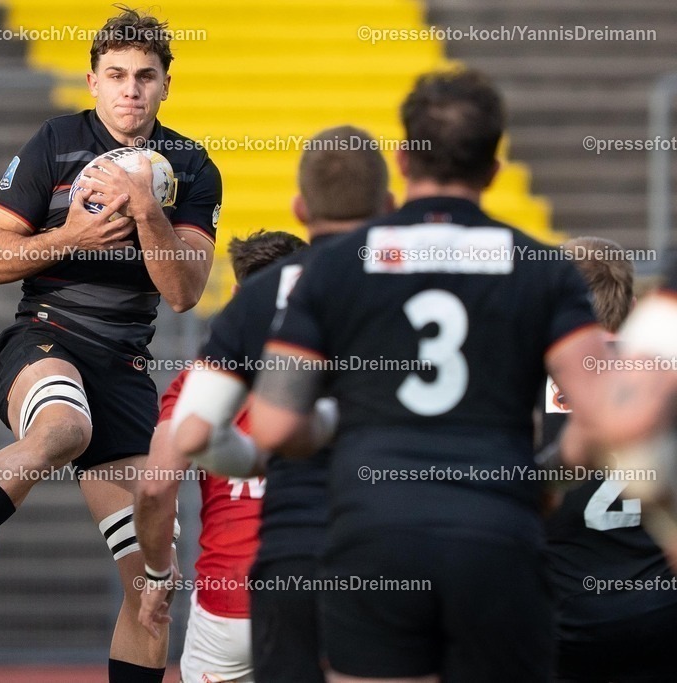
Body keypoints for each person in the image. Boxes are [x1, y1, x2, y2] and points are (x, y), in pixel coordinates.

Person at [0, 7, 222, 682]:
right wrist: (71, 236)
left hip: (125, 364)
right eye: (118, 75)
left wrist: (146, 207)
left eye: (146, 76)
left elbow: (185, 291)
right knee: (65, 426)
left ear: (165, 86)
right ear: (92, 81)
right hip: (46, 335)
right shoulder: (55, 141)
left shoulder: (190, 165)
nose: (132, 89)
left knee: (152, 594)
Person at [249, 68, 611, 682]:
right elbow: (602, 415)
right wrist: (544, 479)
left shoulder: (335, 266)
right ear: (494, 169)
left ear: (402, 159)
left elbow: (274, 423)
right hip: (496, 535)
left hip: (374, 533)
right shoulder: (543, 268)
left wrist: (339, 434)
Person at [159, 125, 392, 683]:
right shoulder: (372, 334)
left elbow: (160, 473)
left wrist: (151, 572)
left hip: (237, 596)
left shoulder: (200, 378)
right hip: (363, 576)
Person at [135, 229, 307, 683]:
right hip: (320, 594)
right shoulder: (345, 372)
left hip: (229, 602)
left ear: (235, 295)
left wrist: (156, 575)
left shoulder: (198, 382)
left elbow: (155, 487)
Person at [541, 236, 677, 683]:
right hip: (660, 616)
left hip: (559, 623)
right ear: (633, 305)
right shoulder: (662, 379)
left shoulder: (522, 381)